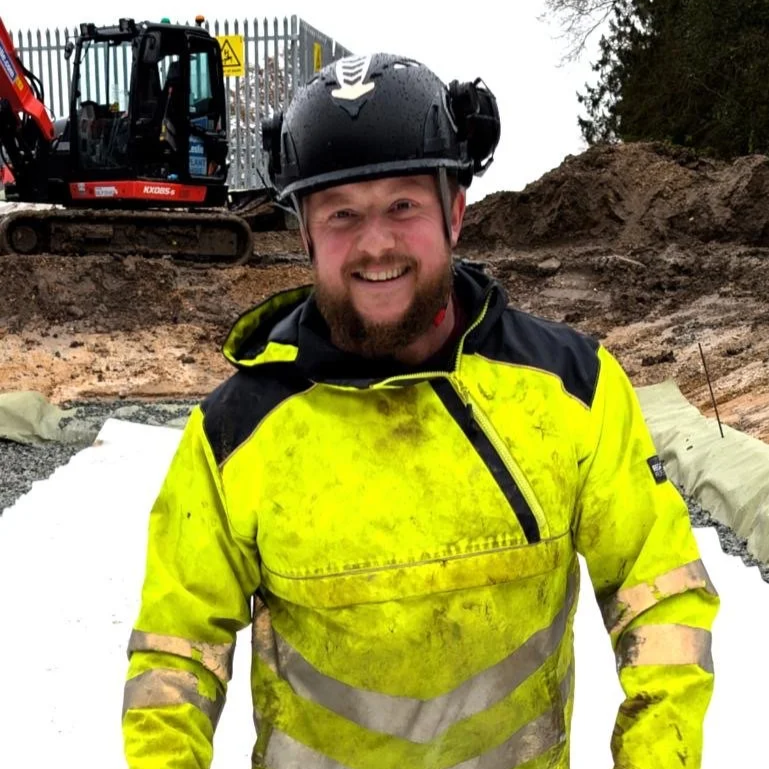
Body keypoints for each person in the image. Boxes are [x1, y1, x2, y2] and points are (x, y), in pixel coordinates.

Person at [122, 53, 720, 769]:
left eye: (402, 205)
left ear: (455, 213)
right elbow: (176, 654)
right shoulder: (234, 435)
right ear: (306, 235)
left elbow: (657, 598)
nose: (375, 243)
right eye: (341, 214)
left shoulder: (571, 391)